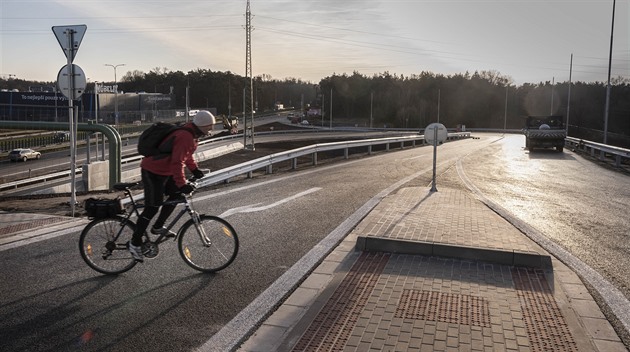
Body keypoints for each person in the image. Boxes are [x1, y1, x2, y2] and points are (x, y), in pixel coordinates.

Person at [128, 110, 215, 262]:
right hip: (152, 171)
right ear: (202, 125)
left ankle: (157, 226)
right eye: (210, 126)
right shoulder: (186, 136)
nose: (211, 129)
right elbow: (177, 162)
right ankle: (134, 243)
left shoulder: (192, 135)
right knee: (152, 206)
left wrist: (194, 169)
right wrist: (182, 184)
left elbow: (186, 155)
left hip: (165, 172)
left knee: (177, 196)